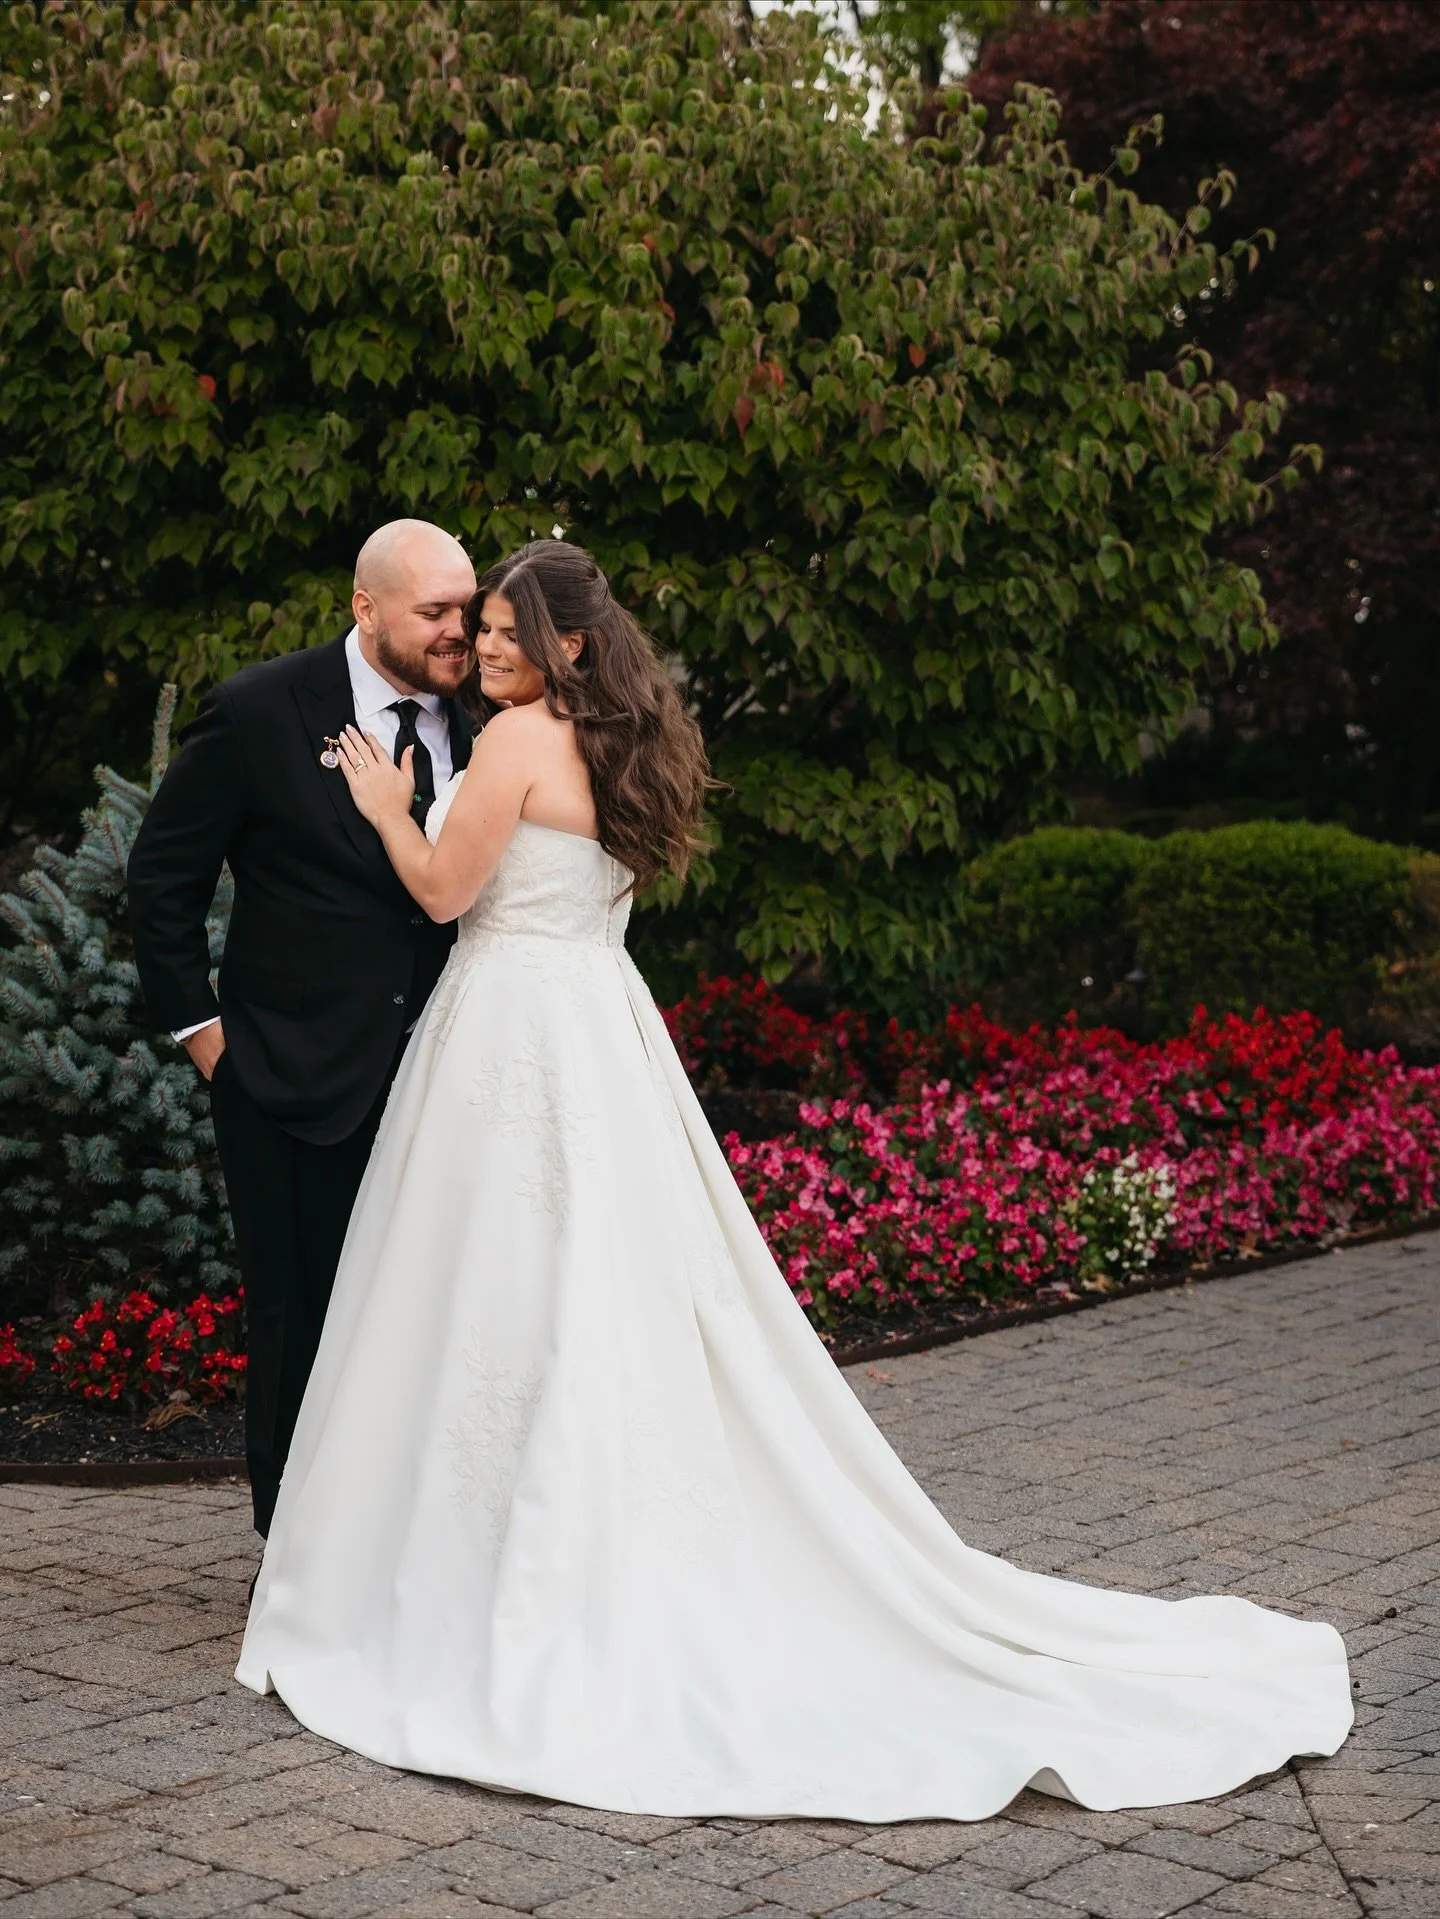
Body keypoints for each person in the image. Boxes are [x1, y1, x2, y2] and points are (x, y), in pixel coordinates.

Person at [236, 538, 1352, 1820]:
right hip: (596, 1029)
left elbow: (441, 892)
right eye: (479, 627)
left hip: (509, 1036)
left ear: (571, 647)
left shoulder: (508, 744)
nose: (488, 648)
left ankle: (477, 1566)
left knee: (494, 1291)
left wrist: (388, 803)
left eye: (508, 631)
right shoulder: (620, 747)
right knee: (592, 1289)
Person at [127, 519, 478, 1536]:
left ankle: (410, 1542)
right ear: (365, 609)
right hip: (289, 1076)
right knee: (299, 1321)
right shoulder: (258, 711)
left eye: (466, 607)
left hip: (454, 1072)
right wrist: (209, 1039)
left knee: (436, 1317)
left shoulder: (489, 716)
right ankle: (292, 1555)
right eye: (435, 612)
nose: (460, 630)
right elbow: (163, 878)